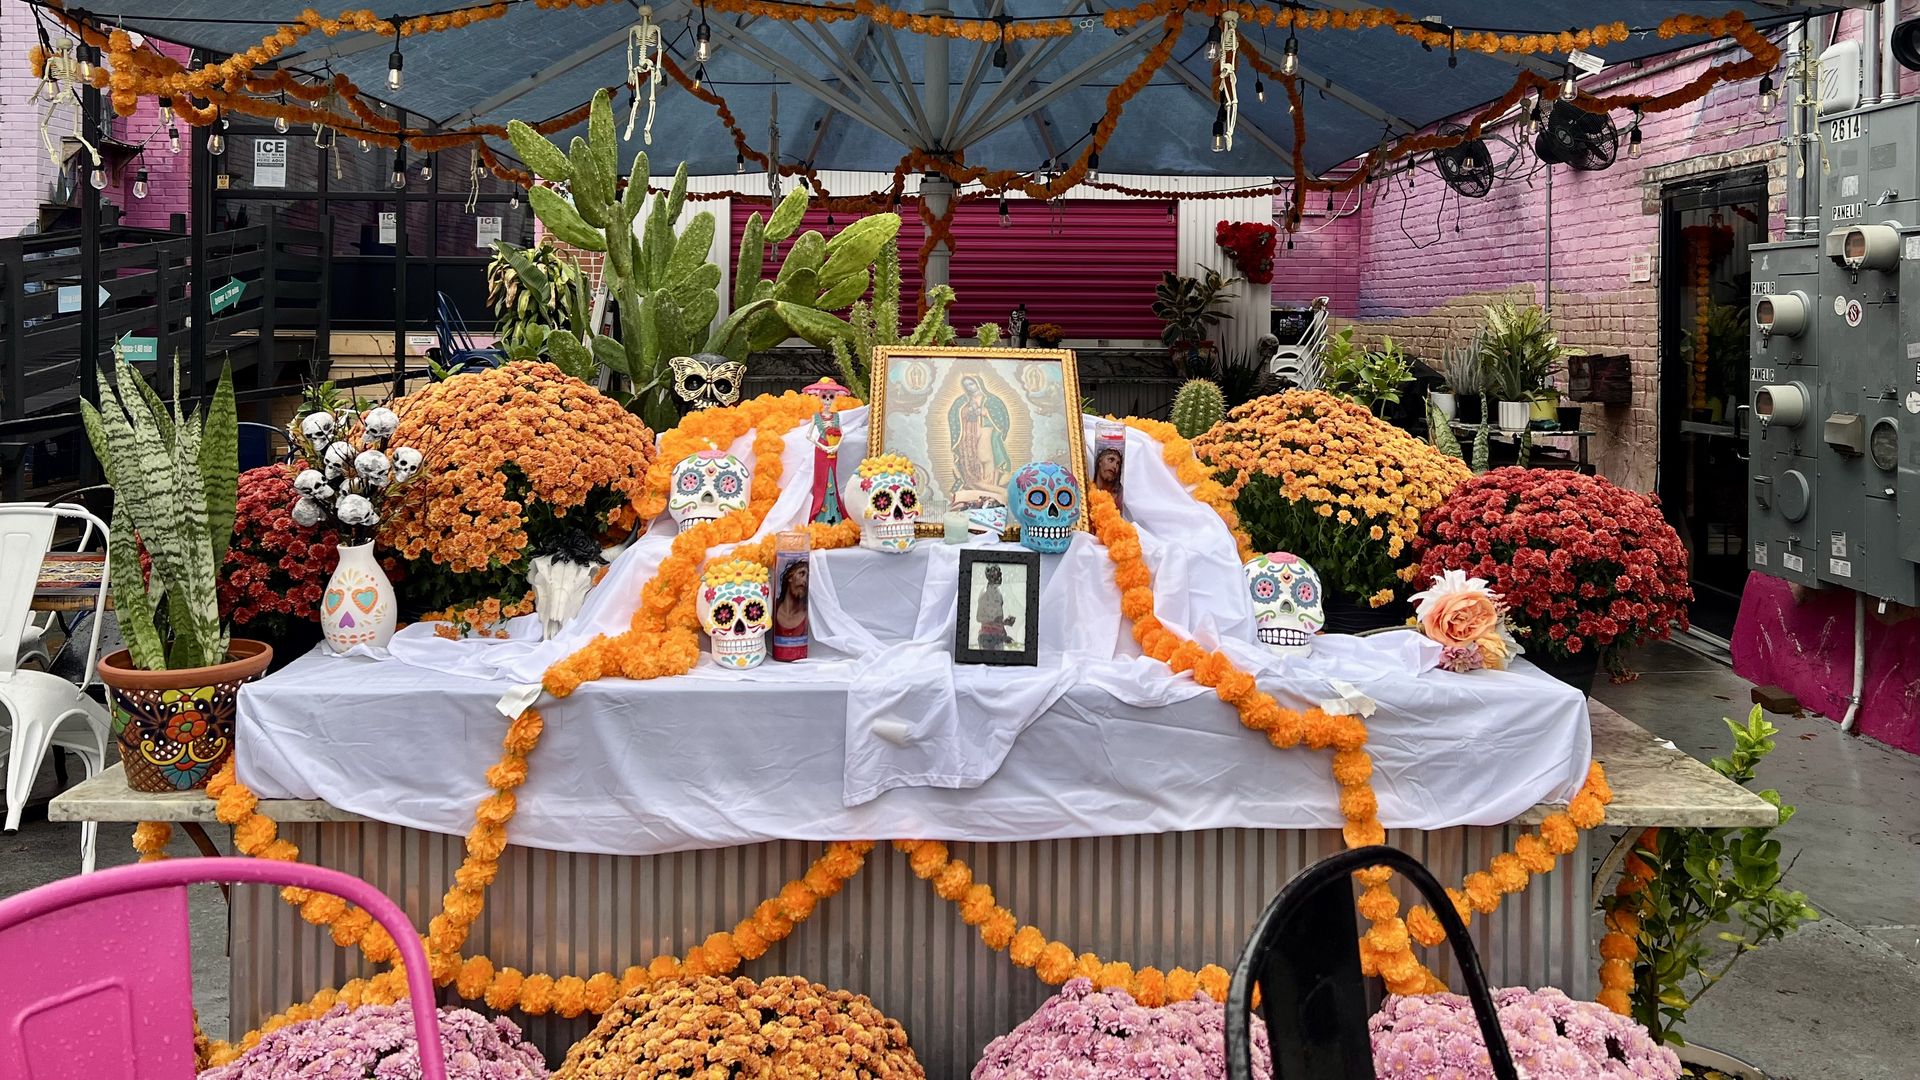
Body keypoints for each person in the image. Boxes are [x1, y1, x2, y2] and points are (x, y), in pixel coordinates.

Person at [949, 374, 1012, 506]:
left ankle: (990, 489)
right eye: (966, 385)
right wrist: (967, 412)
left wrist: (986, 412)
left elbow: (1001, 418)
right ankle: (983, 491)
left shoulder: (992, 400)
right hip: (968, 437)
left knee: (985, 458)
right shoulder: (961, 402)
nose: (970, 388)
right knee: (974, 461)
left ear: (978, 383)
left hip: (987, 432)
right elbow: (954, 416)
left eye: (971, 384)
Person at [772, 558, 809, 661]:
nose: (805, 581)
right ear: (790, 577)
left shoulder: (807, 613)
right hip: (778, 659)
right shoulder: (773, 607)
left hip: (800, 660)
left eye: (808, 577)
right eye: (801, 574)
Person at [975, 564, 1016, 650]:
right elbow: (979, 617)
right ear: (989, 576)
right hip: (987, 639)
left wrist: (1004, 626)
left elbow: (998, 617)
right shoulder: (984, 594)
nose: (999, 577)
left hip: (998, 637)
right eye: (995, 574)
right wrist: (999, 621)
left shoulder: (998, 594)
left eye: (999, 573)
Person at [1093, 445, 1124, 515]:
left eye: (1118, 464)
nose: (1115, 466)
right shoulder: (1086, 487)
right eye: (1111, 460)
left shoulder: (1119, 496)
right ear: (1100, 462)